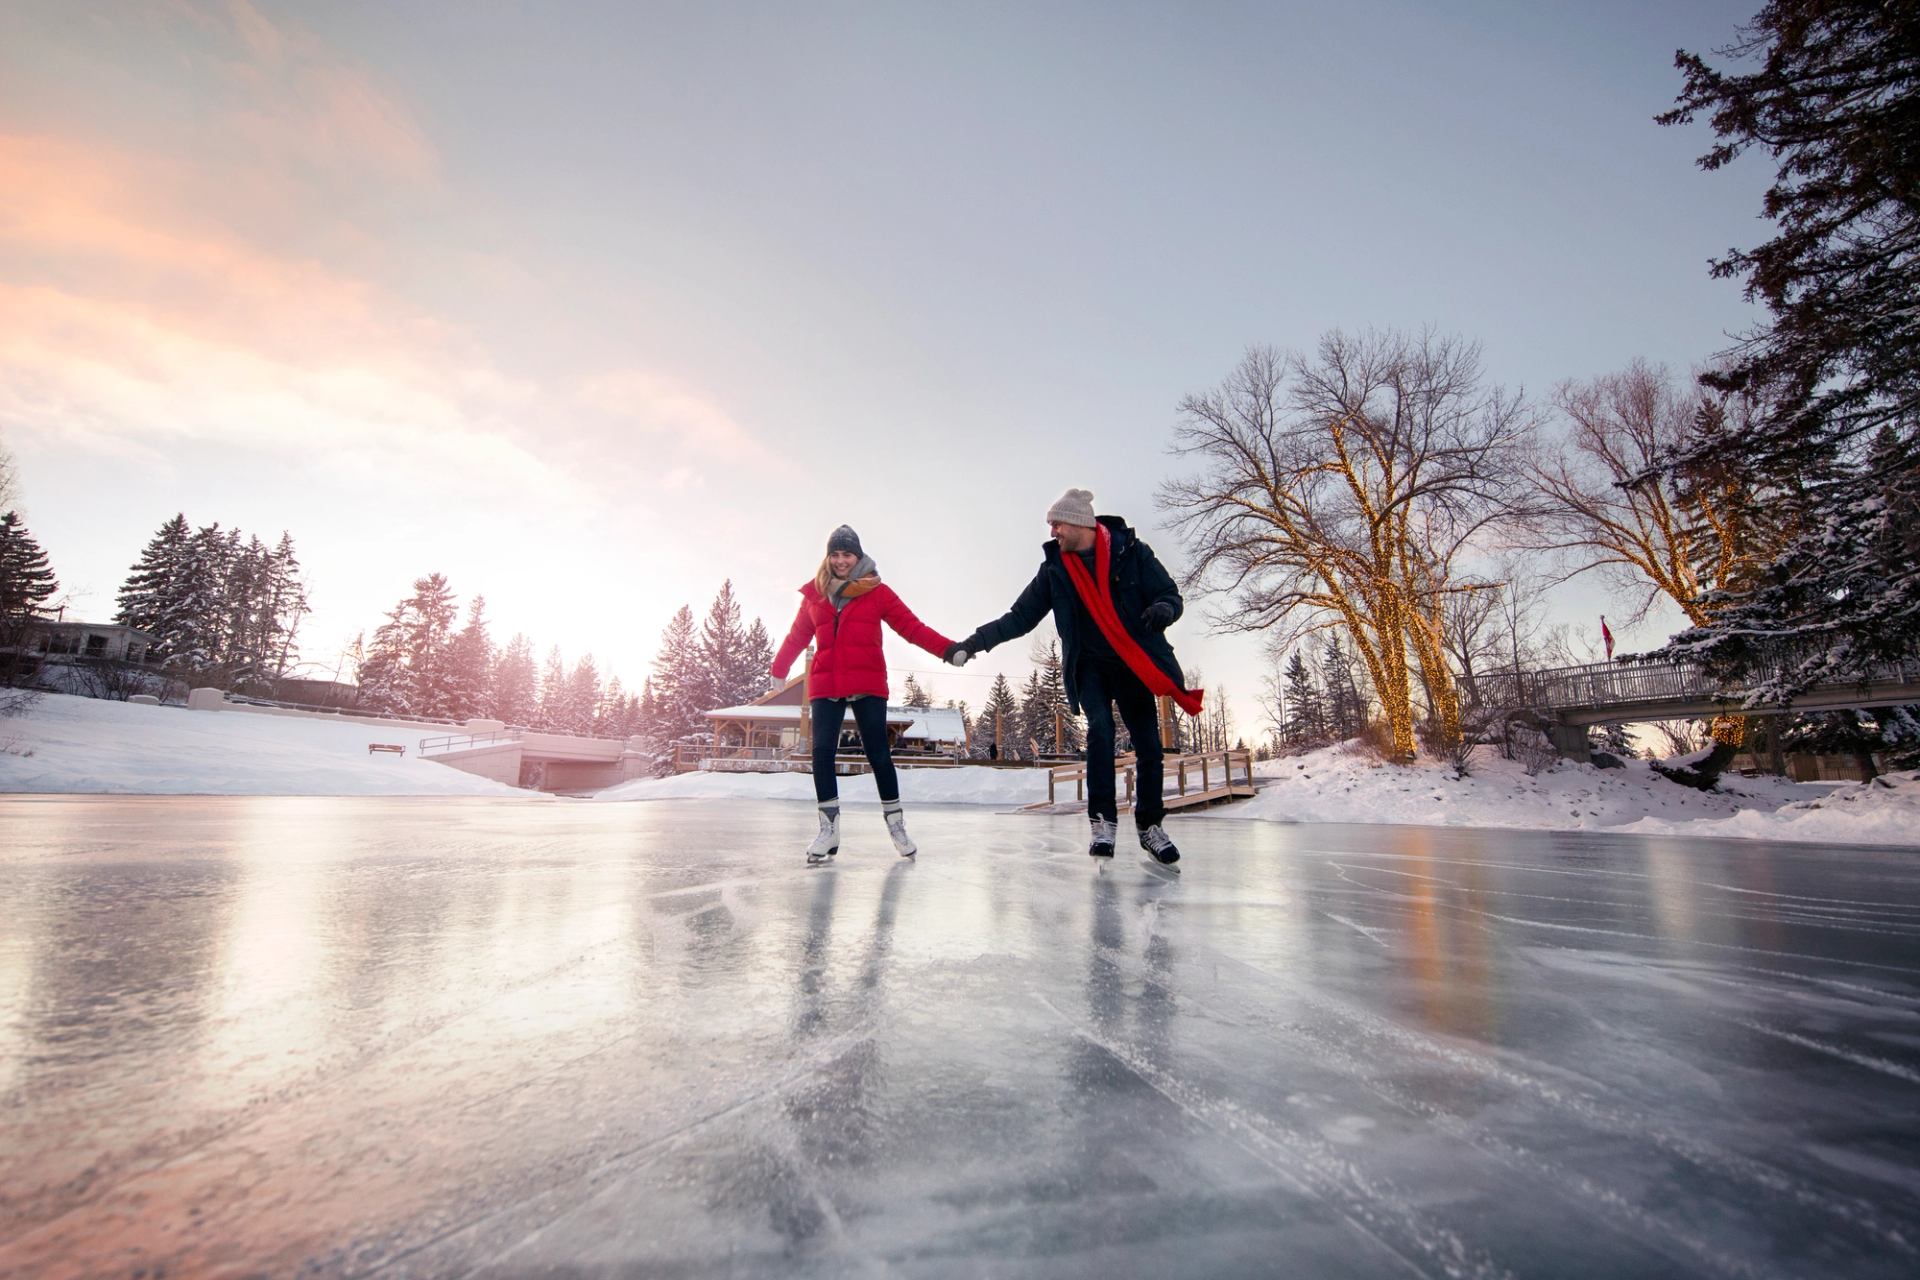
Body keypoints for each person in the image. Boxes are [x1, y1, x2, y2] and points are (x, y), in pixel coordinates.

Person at [948, 488, 1201, 864]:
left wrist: (1163, 609)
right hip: (1090, 665)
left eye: (1057, 524)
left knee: (1149, 744)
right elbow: (1019, 617)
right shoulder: (1055, 570)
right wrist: (972, 643)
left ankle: (1150, 826)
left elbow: (1169, 594)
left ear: (1080, 522)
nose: (1053, 532)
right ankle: (1103, 823)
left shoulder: (1132, 552)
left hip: (1133, 660)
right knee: (1100, 729)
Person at [771, 525, 957, 865]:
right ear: (828, 557)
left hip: (867, 681)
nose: (841, 561)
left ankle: (897, 826)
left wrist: (948, 650)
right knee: (822, 753)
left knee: (878, 754)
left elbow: (911, 628)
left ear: (858, 556)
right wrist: (779, 668)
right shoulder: (816, 594)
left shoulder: (878, 592)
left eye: (847, 554)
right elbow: (797, 635)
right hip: (826, 684)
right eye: (835, 554)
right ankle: (829, 830)